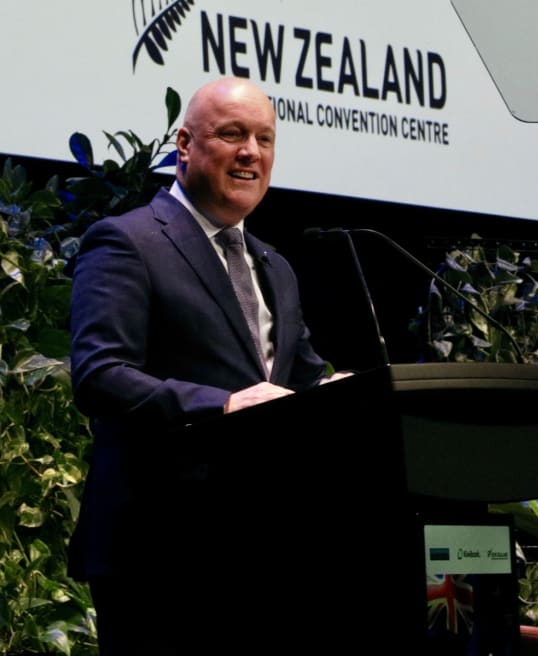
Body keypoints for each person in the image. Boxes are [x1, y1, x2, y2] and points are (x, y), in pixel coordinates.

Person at [67, 76, 350, 654]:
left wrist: (351, 391)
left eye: (265, 139)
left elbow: (301, 382)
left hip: (262, 549)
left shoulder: (276, 266)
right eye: (232, 134)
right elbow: (99, 373)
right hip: (157, 550)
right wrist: (221, 405)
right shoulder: (127, 242)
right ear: (185, 145)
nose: (252, 152)